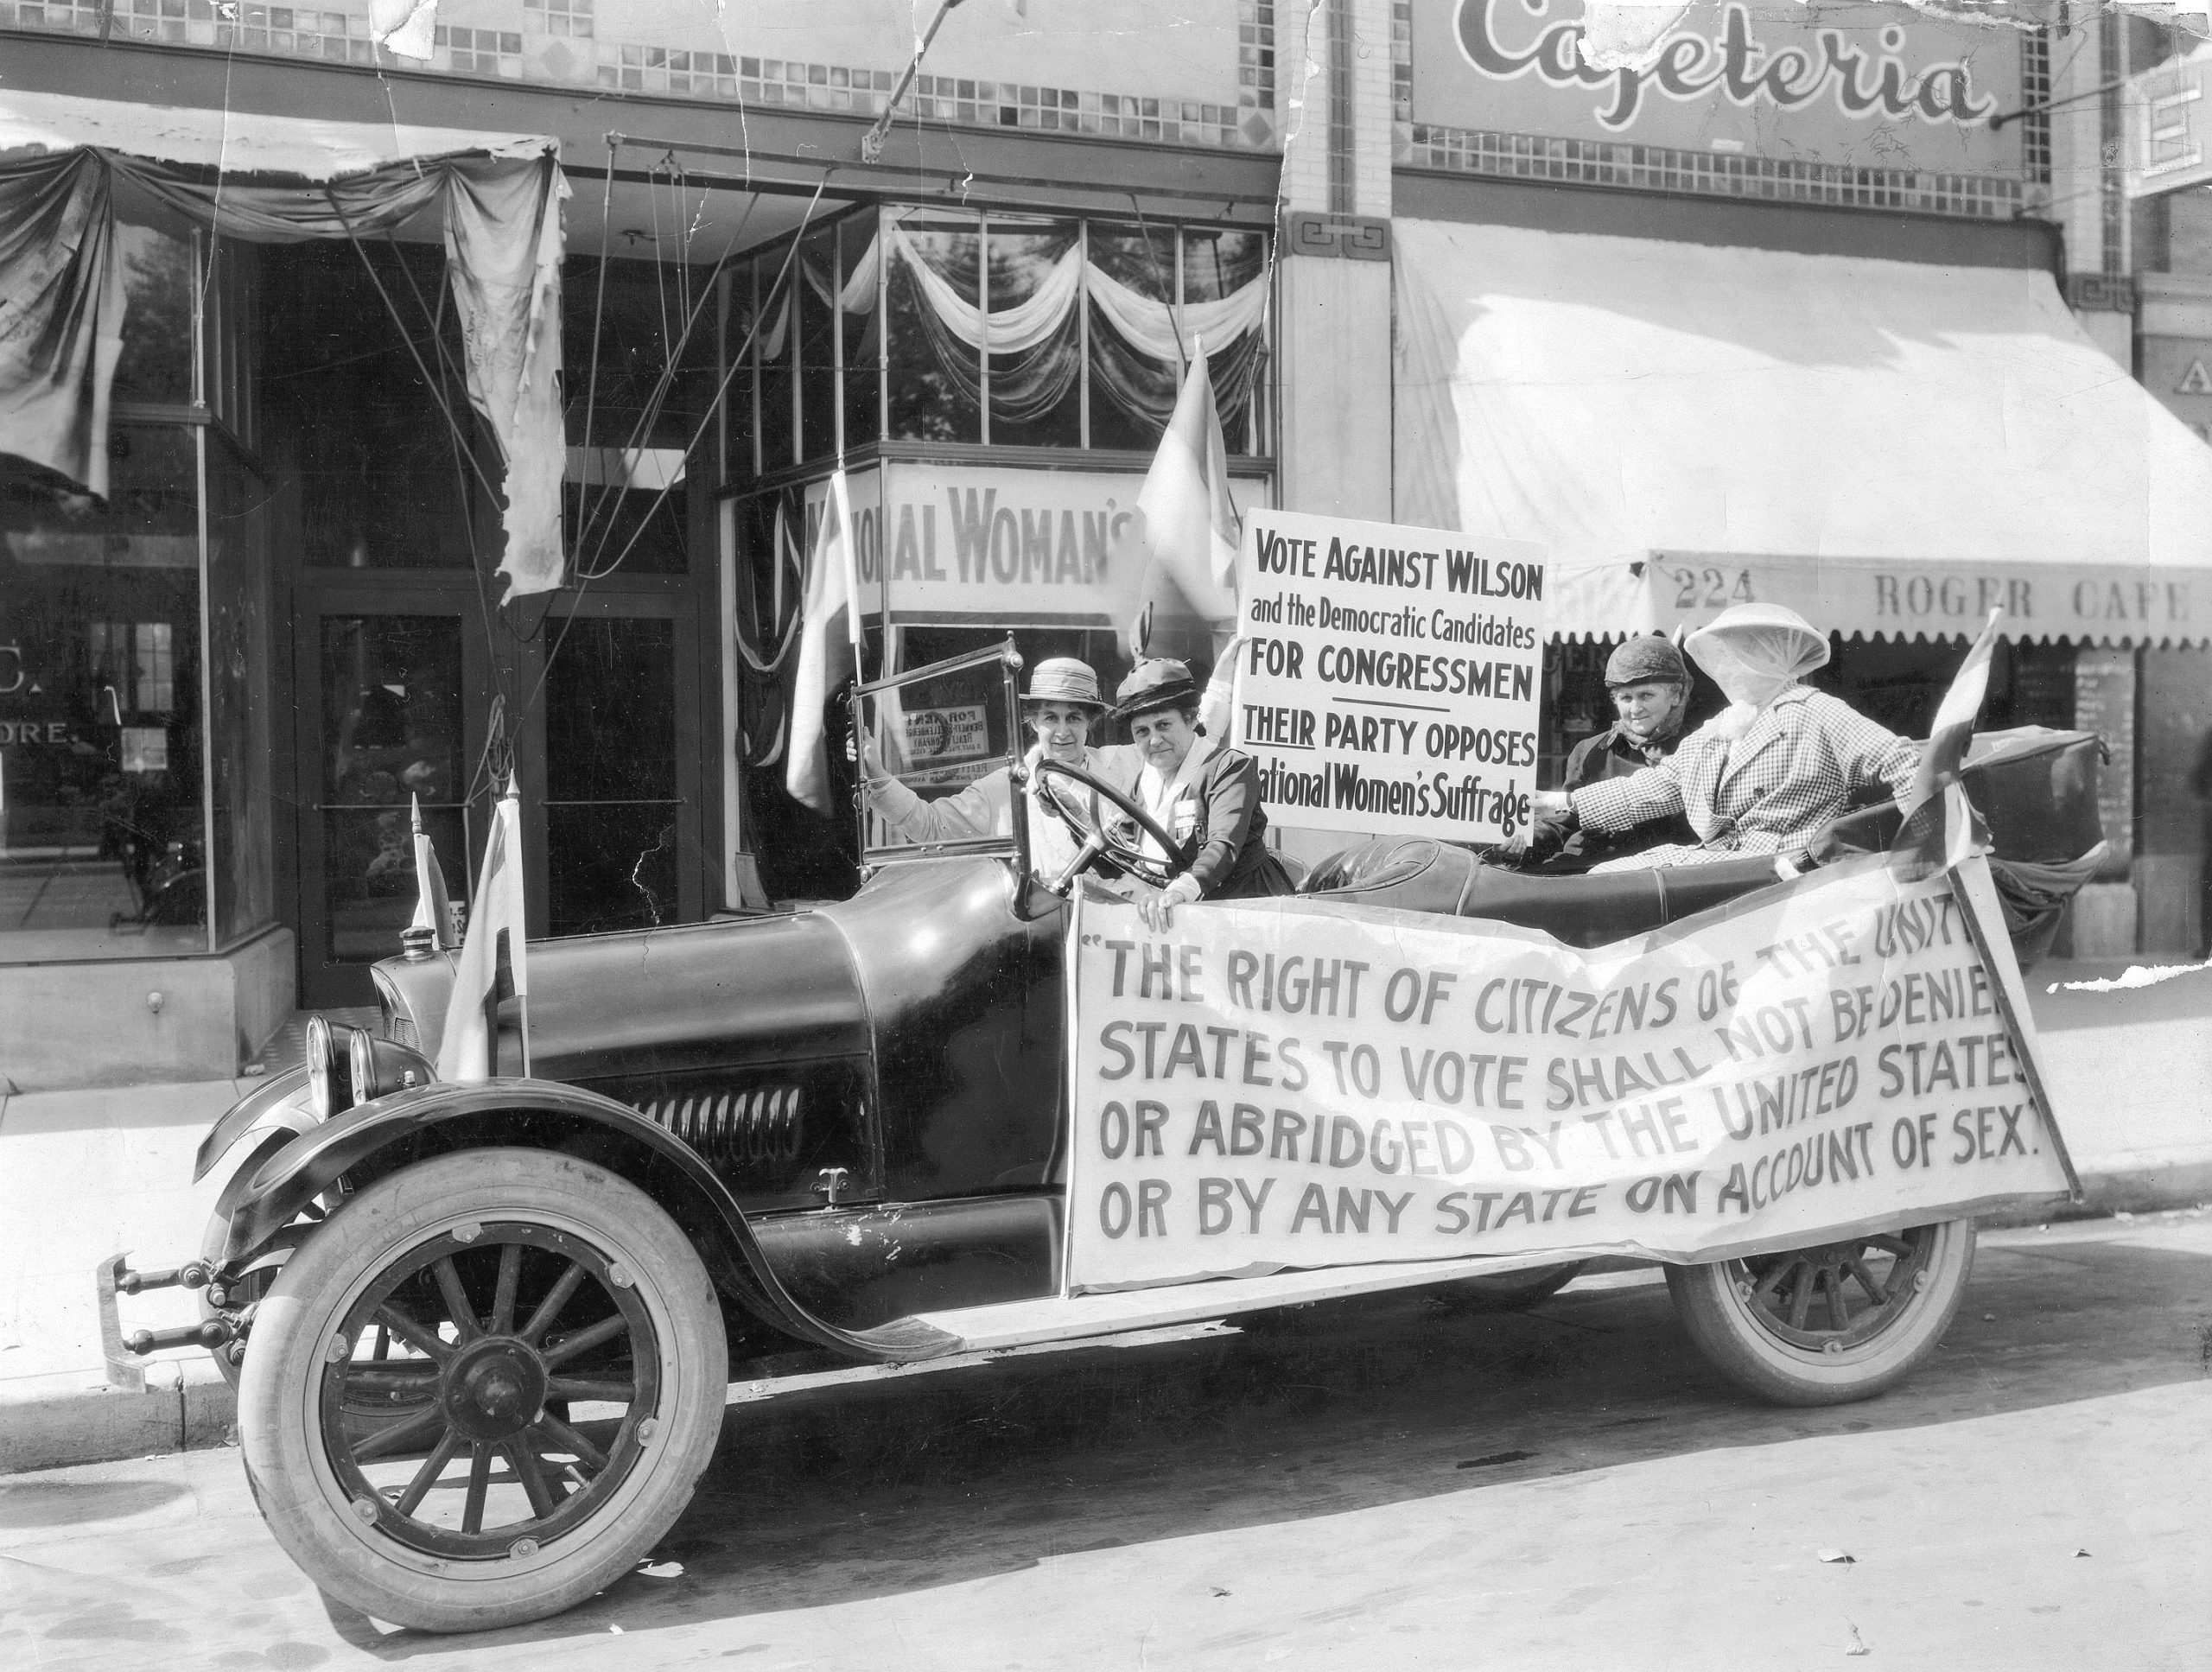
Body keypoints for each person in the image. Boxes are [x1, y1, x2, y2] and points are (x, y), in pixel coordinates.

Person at [1530, 603, 1919, 871]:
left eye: (1739, 653)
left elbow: (1904, 763)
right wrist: (1560, 802)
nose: (1726, 665)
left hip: (1782, 872)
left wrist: (1927, 850)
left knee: (1610, 889)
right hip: (1721, 865)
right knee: (1603, 879)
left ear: (1771, 656)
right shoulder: (1722, 726)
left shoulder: (1816, 711)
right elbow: (1658, 786)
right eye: (1723, 654)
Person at [859, 657, 1133, 881]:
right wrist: (877, 773)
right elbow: (932, 826)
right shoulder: (1004, 787)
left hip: (1106, 933)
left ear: (1090, 722)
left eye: (1073, 717)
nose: (1063, 731)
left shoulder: (1120, 767)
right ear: (1034, 722)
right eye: (1051, 717)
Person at [1114, 656, 1294, 928]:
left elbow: (1222, 845)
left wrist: (1179, 890)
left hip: (1249, 912)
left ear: (1191, 719)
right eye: (1141, 731)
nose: (1153, 740)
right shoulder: (1145, 781)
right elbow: (1121, 852)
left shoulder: (1229, 766)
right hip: (1183, 917)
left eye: (1163, 725)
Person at [1514, 635, 1699, 868]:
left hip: (1664, 876)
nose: (1635, 708)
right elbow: (1563, 823)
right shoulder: (1591, 751)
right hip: (1590, 870)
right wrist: (1523, 841)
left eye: (1646, 695)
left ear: (1676, 695)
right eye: (1625, 697)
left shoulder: (1696, 749)